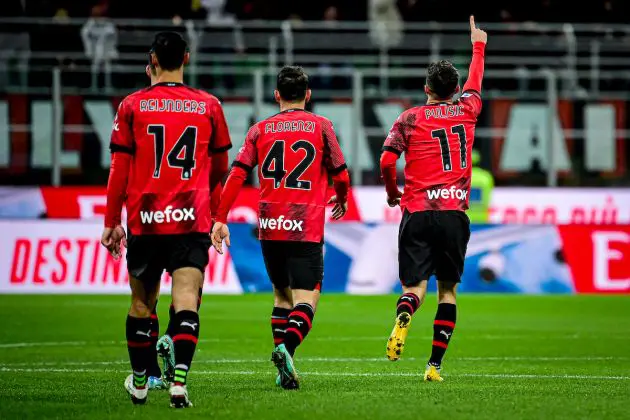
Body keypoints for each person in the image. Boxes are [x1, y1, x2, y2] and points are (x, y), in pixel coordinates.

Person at [100, 31, 231, 407]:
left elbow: (118, 170)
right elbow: (220, 168)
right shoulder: (209, 105)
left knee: (142, 303)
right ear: (186, 58)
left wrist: (112, 221)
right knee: (187, 299)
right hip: (190, 219)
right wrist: (207, 204)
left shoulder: (132, 105)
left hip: (146, 220)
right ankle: (178, 384)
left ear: (152, 60)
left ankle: (141, 382)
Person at [211, 66, 351, 390]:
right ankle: (285, 350)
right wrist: (341, 198)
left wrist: (220, 216)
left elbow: (236, 174)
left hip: (271, 223)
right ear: (308, 95)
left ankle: (283, 367)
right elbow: (341, 174)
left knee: (280, 295)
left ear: (276, 96)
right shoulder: (321, 126)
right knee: (307, 299)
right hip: (305, 223)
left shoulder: (260, 130)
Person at [380, 16, 487, 382]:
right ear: (455, 89)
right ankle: (434, 366)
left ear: (426, 87)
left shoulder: (409, 118)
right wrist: (478, 45)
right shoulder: (468, 110)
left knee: (414, 288)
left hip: (418, 211)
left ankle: (406, 311)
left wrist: (394, 193)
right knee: (448, 290)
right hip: (454, 212)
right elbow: (477, 82)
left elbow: (386, 160)